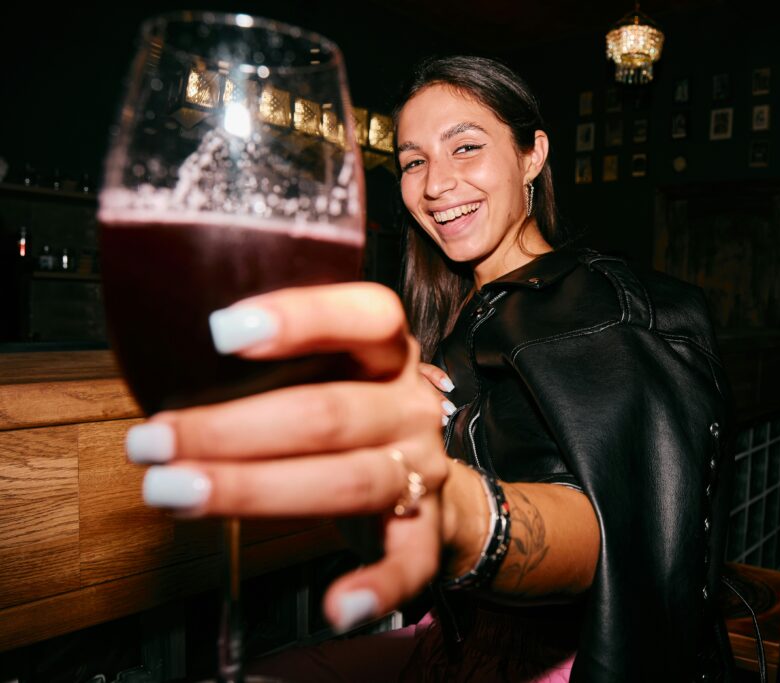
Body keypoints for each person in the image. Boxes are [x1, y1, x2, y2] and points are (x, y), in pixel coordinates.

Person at [126, 55, 734, 681]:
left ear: (533, 155)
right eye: (414, 161)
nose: (435, 184)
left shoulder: (595, 305)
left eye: (465, 147)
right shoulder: (459, 311)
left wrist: (462, 520)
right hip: (453, 635)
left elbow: (608, 529)